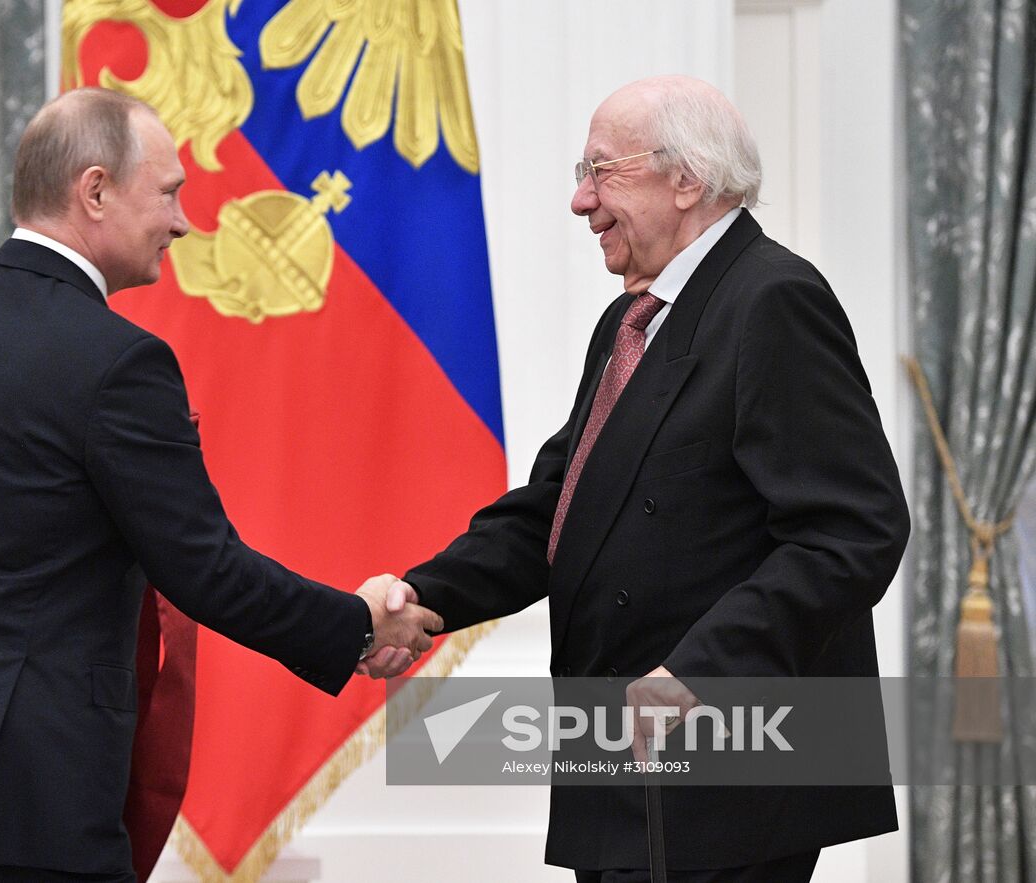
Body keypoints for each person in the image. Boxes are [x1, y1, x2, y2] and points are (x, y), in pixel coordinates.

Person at [0, 87, 439, 883]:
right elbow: (205, 570)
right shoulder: (120, 362)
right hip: (27, 798)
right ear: (95, 189)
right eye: (170, 192)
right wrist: (357, 624)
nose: (182, 221)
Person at [370, 75, 910, 881]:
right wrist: (426, 598)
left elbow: (853, 530)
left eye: (600, 171)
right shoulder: (632, 320)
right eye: (579, 176)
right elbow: (561, 506)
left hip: (728, 773)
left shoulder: (774, 299)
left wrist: (700, 673)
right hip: (621, 766)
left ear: (686, 179)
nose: (581, 201)